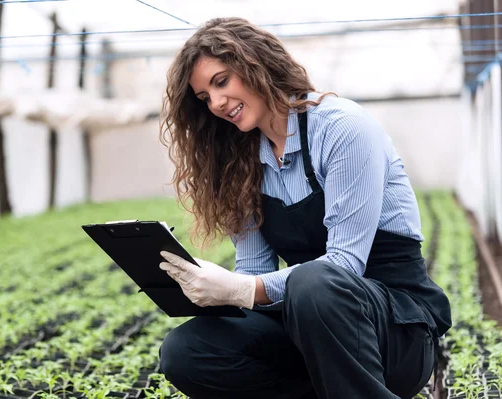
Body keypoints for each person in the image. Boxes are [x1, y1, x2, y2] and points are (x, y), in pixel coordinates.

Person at [156, 17, 451, 399]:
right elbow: (255, 272)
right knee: (186, 351)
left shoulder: (341, 128)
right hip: (310, 333)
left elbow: (343, 266)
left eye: (221, 81)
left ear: (256, 64)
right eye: (204, 97)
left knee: (315, 283)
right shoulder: (241, 164)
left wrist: (241, 289)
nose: (216, 103)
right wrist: (218, 290)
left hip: (392, 334)